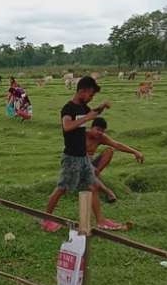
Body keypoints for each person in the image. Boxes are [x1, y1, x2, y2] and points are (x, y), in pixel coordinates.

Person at [41, 76, 126, 232]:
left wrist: (101, 107)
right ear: (82, 91)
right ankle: (46, 219)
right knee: (62, 188)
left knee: (92, 185)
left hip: (83, 158)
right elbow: (67, 126)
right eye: (91, 95)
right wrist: (87, 118)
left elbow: (93, 112)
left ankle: (100, 221)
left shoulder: (83, 108)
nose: (91, 98)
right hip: (71, 158)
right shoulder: (69, 108)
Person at [86, 117, 144, 202]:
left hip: (91, 163)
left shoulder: (101, 137)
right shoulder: (82, 134)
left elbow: (116, 145)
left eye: (102, 131)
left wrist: (135, 151)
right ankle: (108, 192)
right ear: (91, 127)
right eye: (98, 129)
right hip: (78, 162)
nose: (100, 133)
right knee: (86, 170)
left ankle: (96, 173)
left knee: (110, 150)